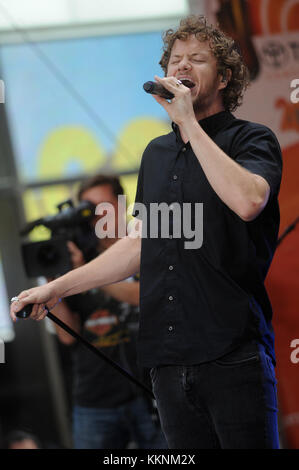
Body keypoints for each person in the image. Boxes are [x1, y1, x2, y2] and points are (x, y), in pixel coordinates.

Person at [11, 16, 282, 449]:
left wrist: (189, 124)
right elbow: (139, 244)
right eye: (177, 59)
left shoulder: (251, 139)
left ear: (225, 76)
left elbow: (250, 202)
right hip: (167, 362)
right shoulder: (156, 155)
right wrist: (57, 289)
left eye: (198, 59)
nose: (184, 66)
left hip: (232, 354)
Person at [48, 175, 166, 449]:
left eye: (104, 205)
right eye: (89, 209)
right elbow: (67, 336)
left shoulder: (147, 244)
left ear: (122, 204)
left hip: (155, 390)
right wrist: (53, 284)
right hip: (96, 398)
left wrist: (85, 275)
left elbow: (148, 296)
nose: (96, 215)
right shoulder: (78, 255)